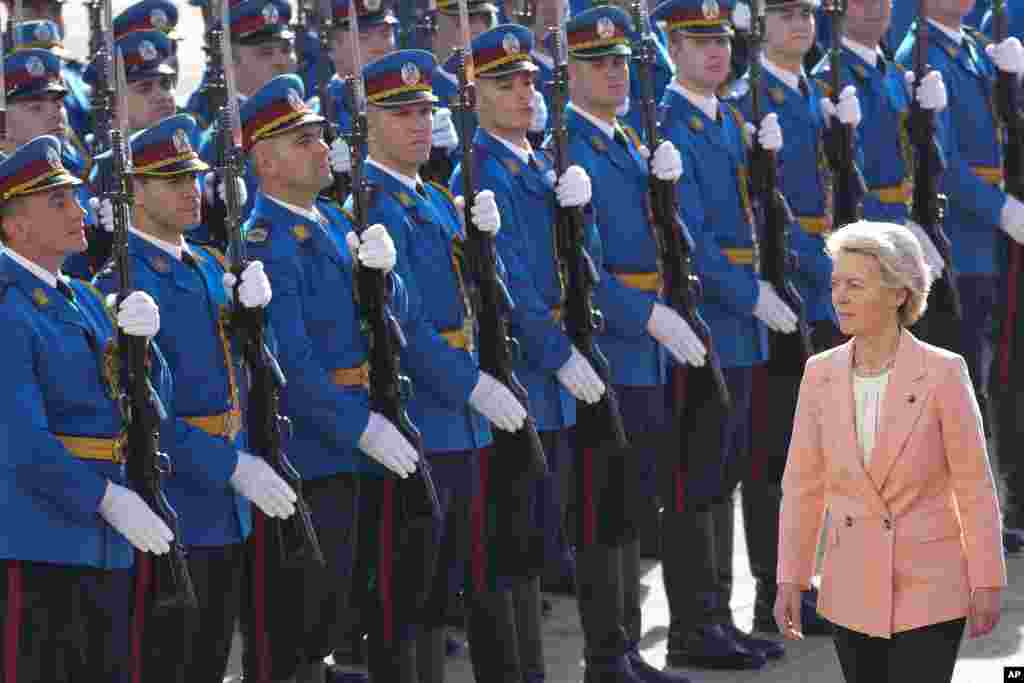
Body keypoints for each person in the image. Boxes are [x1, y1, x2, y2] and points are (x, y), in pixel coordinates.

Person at [91, 113, 299, 683]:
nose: (191, 191)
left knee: (211, 659)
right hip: (177, 499)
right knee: (170, 663)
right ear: (135, 191)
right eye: (171, 181)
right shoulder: (122, 285)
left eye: (192, 177)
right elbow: (141, 412)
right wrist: (230, 466)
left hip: (230, 501)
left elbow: (257, 370)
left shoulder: (208, 264)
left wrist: (260, 317)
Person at [239, 73, 421, 683]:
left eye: (320, 135)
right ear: (264, 160)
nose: (323, 148)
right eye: (303, 140)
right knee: (306, 616)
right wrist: (359, 428)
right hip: (317, 451)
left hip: (364, 431)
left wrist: (386, 277)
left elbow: (387, 319)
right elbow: (291, 367)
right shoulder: (265, 242)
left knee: (355, 597)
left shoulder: (333, 218)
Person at [775, 220, 1007, 683]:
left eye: (855, 284)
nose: (838, 297)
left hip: (930, 588)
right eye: (836, 283)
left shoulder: (944, 373)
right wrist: (791, 579)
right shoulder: (818, 374)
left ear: (899, 293)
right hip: (850, 588)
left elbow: (975, 486)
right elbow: (802, 486)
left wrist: (987, 579)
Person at [451, 23, 606, 683]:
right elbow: (507, 282)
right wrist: (560, 355)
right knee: (507, 550)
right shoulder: (484, 169)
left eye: (528, 82)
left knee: (532, 547)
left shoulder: (535, 161)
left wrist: (584, 213)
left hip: (547, 377)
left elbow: (577, 267)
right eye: (504, 83)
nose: (522, 94)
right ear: (474, 93)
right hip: (520, 373)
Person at [562, 5, 710, 679]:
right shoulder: (570, 147)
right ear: (571, 72)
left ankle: (625, 644)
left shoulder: (622, 139)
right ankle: (605, 651)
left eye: (621, 62)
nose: (615, 74)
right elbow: (581, 272)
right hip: (613, 345)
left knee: (631, 506)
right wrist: (646, 316)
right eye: (598, 64)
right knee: (606, 508)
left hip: (648, 343)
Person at [0, 134, 171, 681]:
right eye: (56, 201)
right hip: (39, 543)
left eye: (74, 196)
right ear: (14, 225)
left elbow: (146, 403)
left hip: (102, 542)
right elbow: (19, 442)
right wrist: (105, 499)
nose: (78, 210)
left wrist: (148, 345)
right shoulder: (10, 308)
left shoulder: (83, 296)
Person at [655, 0, 790, 668]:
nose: (716, 52)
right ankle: (693, 623)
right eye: (698, 41)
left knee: (726, 471)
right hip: (709, 319)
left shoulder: (729, 120)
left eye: (721, 41)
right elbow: (691, 241)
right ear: (672, 48)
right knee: (696, 477)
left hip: (743, 325)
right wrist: (749, 294)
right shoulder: (669, 125)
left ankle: (721, 613)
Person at [896, 0, 1024, 555]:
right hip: (960, 243)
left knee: (987, 381)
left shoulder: (970, 46)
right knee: (956, 390)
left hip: (989, 243)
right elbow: (938, 164)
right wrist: (1000, 208)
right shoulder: (921, 56)